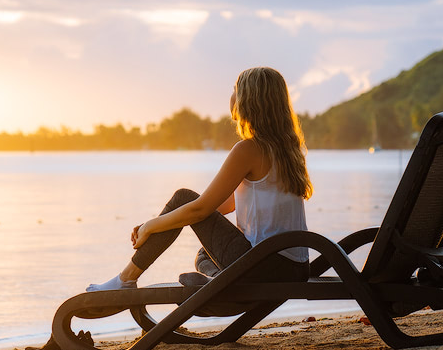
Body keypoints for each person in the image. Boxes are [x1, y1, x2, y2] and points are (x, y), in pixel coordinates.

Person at [86, 66, 313, 291]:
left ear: (248, 100)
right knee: (204, 254)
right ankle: (219, 279)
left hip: (264, 268)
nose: (232, 96)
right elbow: (224, 205)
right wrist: (161, 224)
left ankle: (125, 280)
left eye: (235, 90)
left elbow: (199, 210)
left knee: (184, 198)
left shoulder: (248, 150)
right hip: (296, 267)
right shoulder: (289, 150)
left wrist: (150, 226)